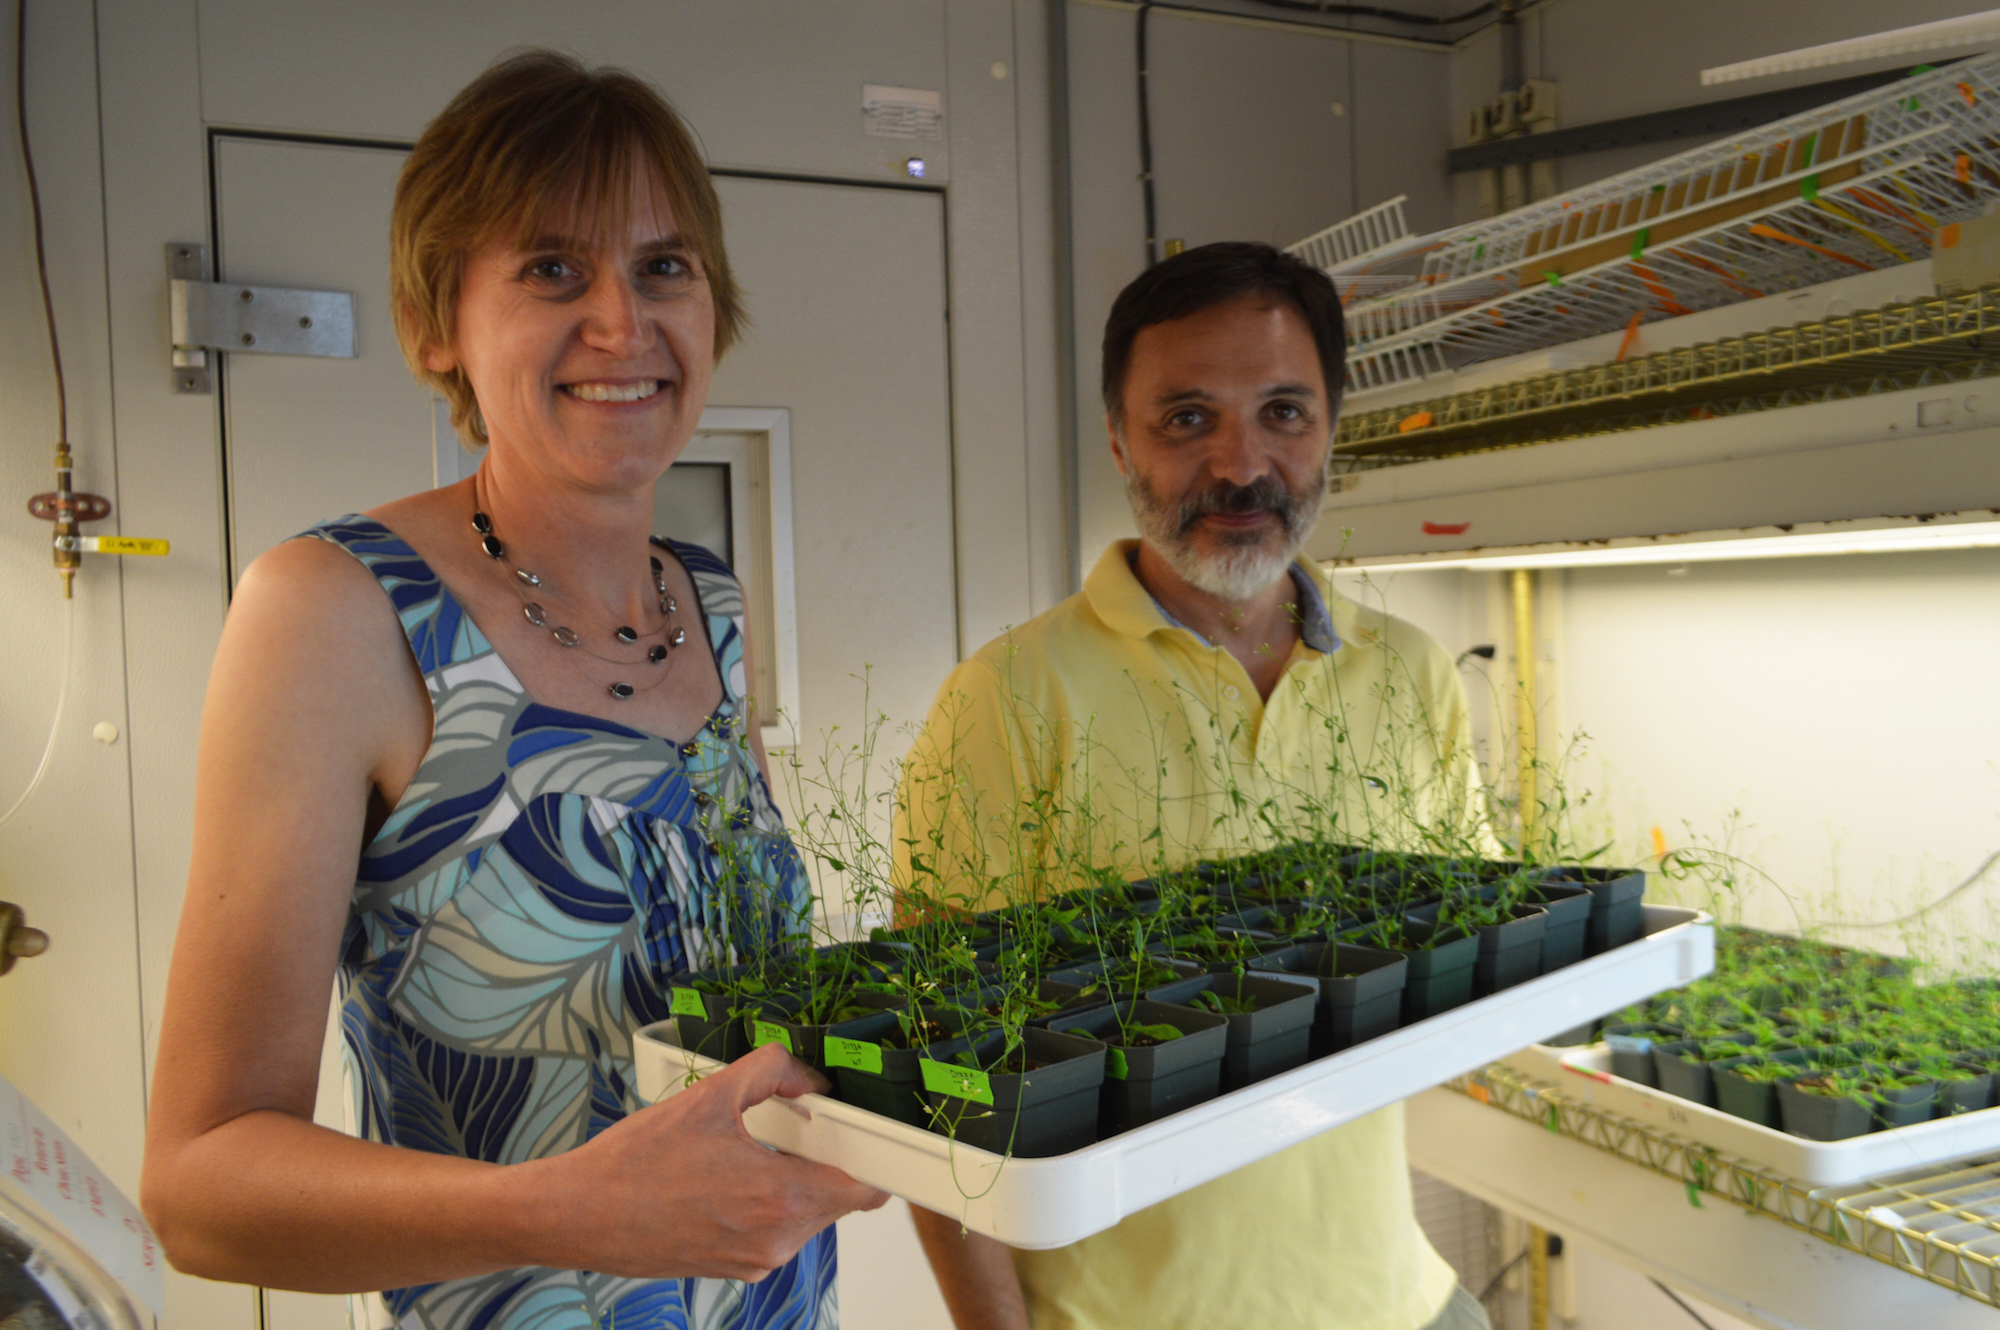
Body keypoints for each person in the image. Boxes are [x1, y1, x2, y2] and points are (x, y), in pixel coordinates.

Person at [141, 52, 884, 1330]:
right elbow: (199, 1184)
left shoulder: (708, 604)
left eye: (665, 266)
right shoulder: (332, 611)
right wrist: (563, 1208)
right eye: (551, 269)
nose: (622, 323)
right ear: (439, 324)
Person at [896, 242, 1492, 1330]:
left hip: (1399, 1303)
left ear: (1329, 426)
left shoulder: (1408, 674)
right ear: (1119, 439)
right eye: (1185, 419)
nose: (1239, 465)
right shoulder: (1009, 701)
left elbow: (1457, 974)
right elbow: (938, 1084)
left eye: (1281, 412)